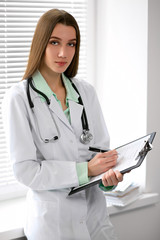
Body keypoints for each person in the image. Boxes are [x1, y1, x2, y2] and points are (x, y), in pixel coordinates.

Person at [4, 9, 124, 240]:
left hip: (95, 221)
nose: (63, 53)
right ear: (41, 43)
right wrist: (85, 170)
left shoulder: (85, 92)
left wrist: (107, 179)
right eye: (54, 42)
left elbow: (100, 154)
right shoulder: (18, 98)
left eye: (71, 44)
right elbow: (25, 171)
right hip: (53, 225)